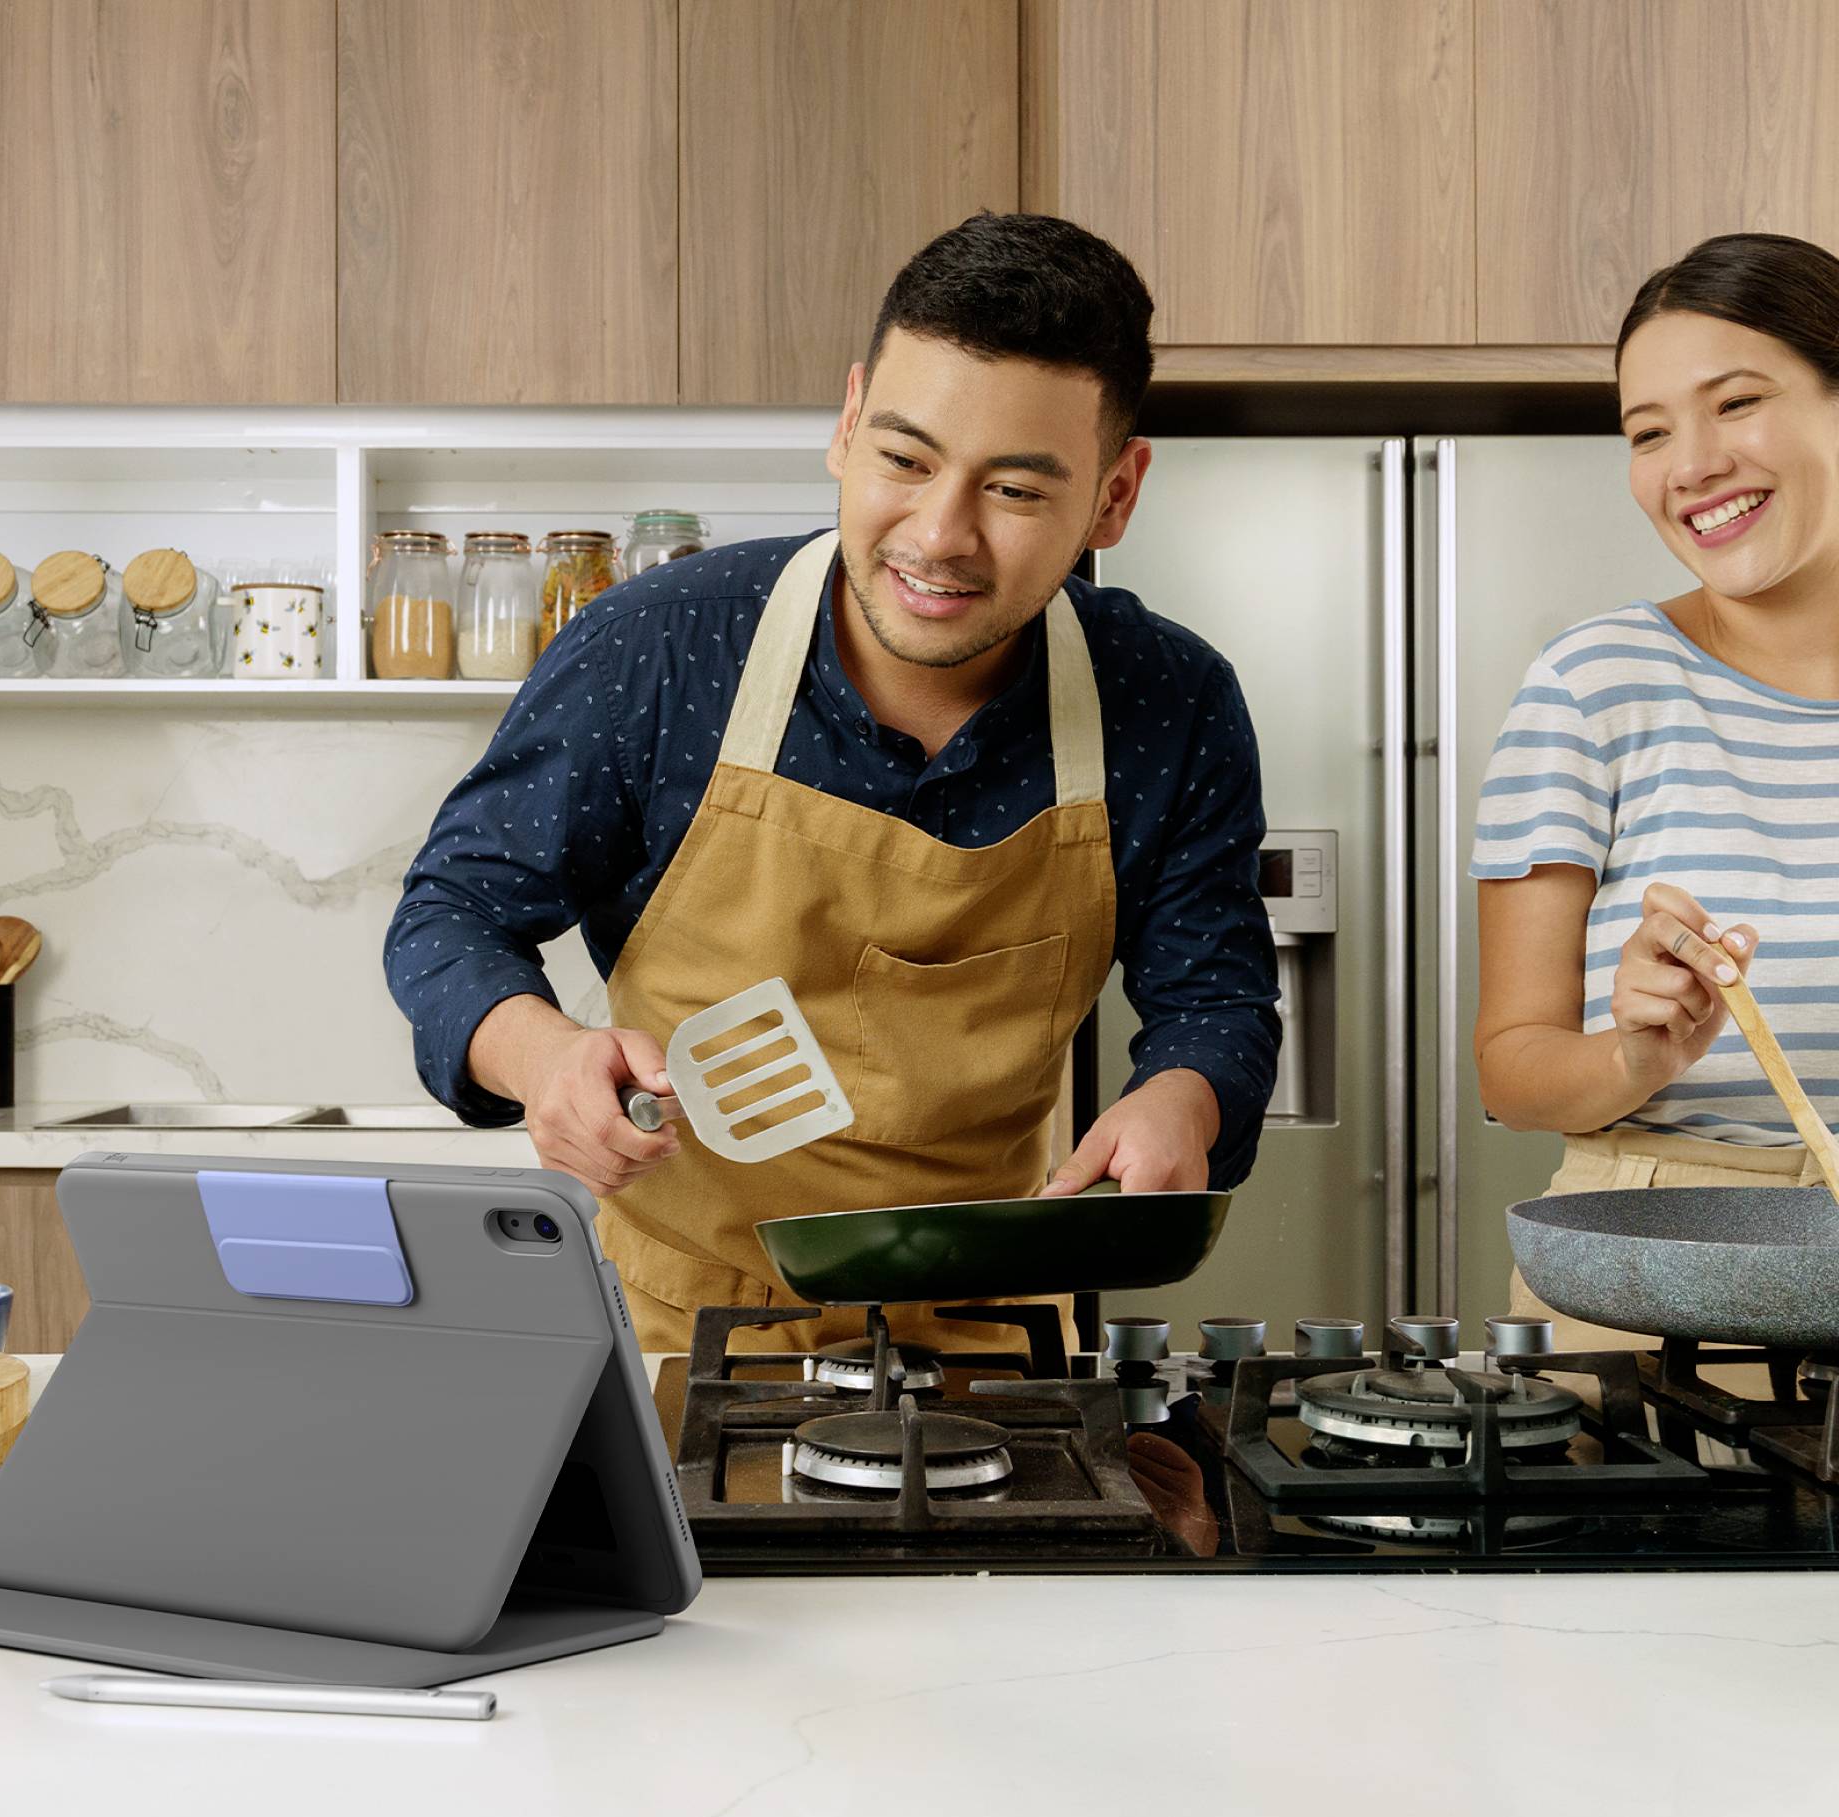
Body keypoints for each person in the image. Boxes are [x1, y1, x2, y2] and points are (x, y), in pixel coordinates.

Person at [385, 212, 1279, 1354]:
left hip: (988, 1330)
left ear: (1113, 494)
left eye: (1012, 489)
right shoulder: (659, 646)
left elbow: (1216, 1000)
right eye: (903, 459)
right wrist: (545, 1056)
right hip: (673, 1324)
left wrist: (1180, 1098)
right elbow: (451, 914)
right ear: (848, 421)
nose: (938, 535)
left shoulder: (1165, 700)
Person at [1473, 232, 1839, 1344]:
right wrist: (1634, 1052)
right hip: (1644, 1271)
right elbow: (1510, 1070)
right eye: (1646, 432)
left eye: (1734, 403)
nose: (1687, 465)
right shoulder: (1591, 687)